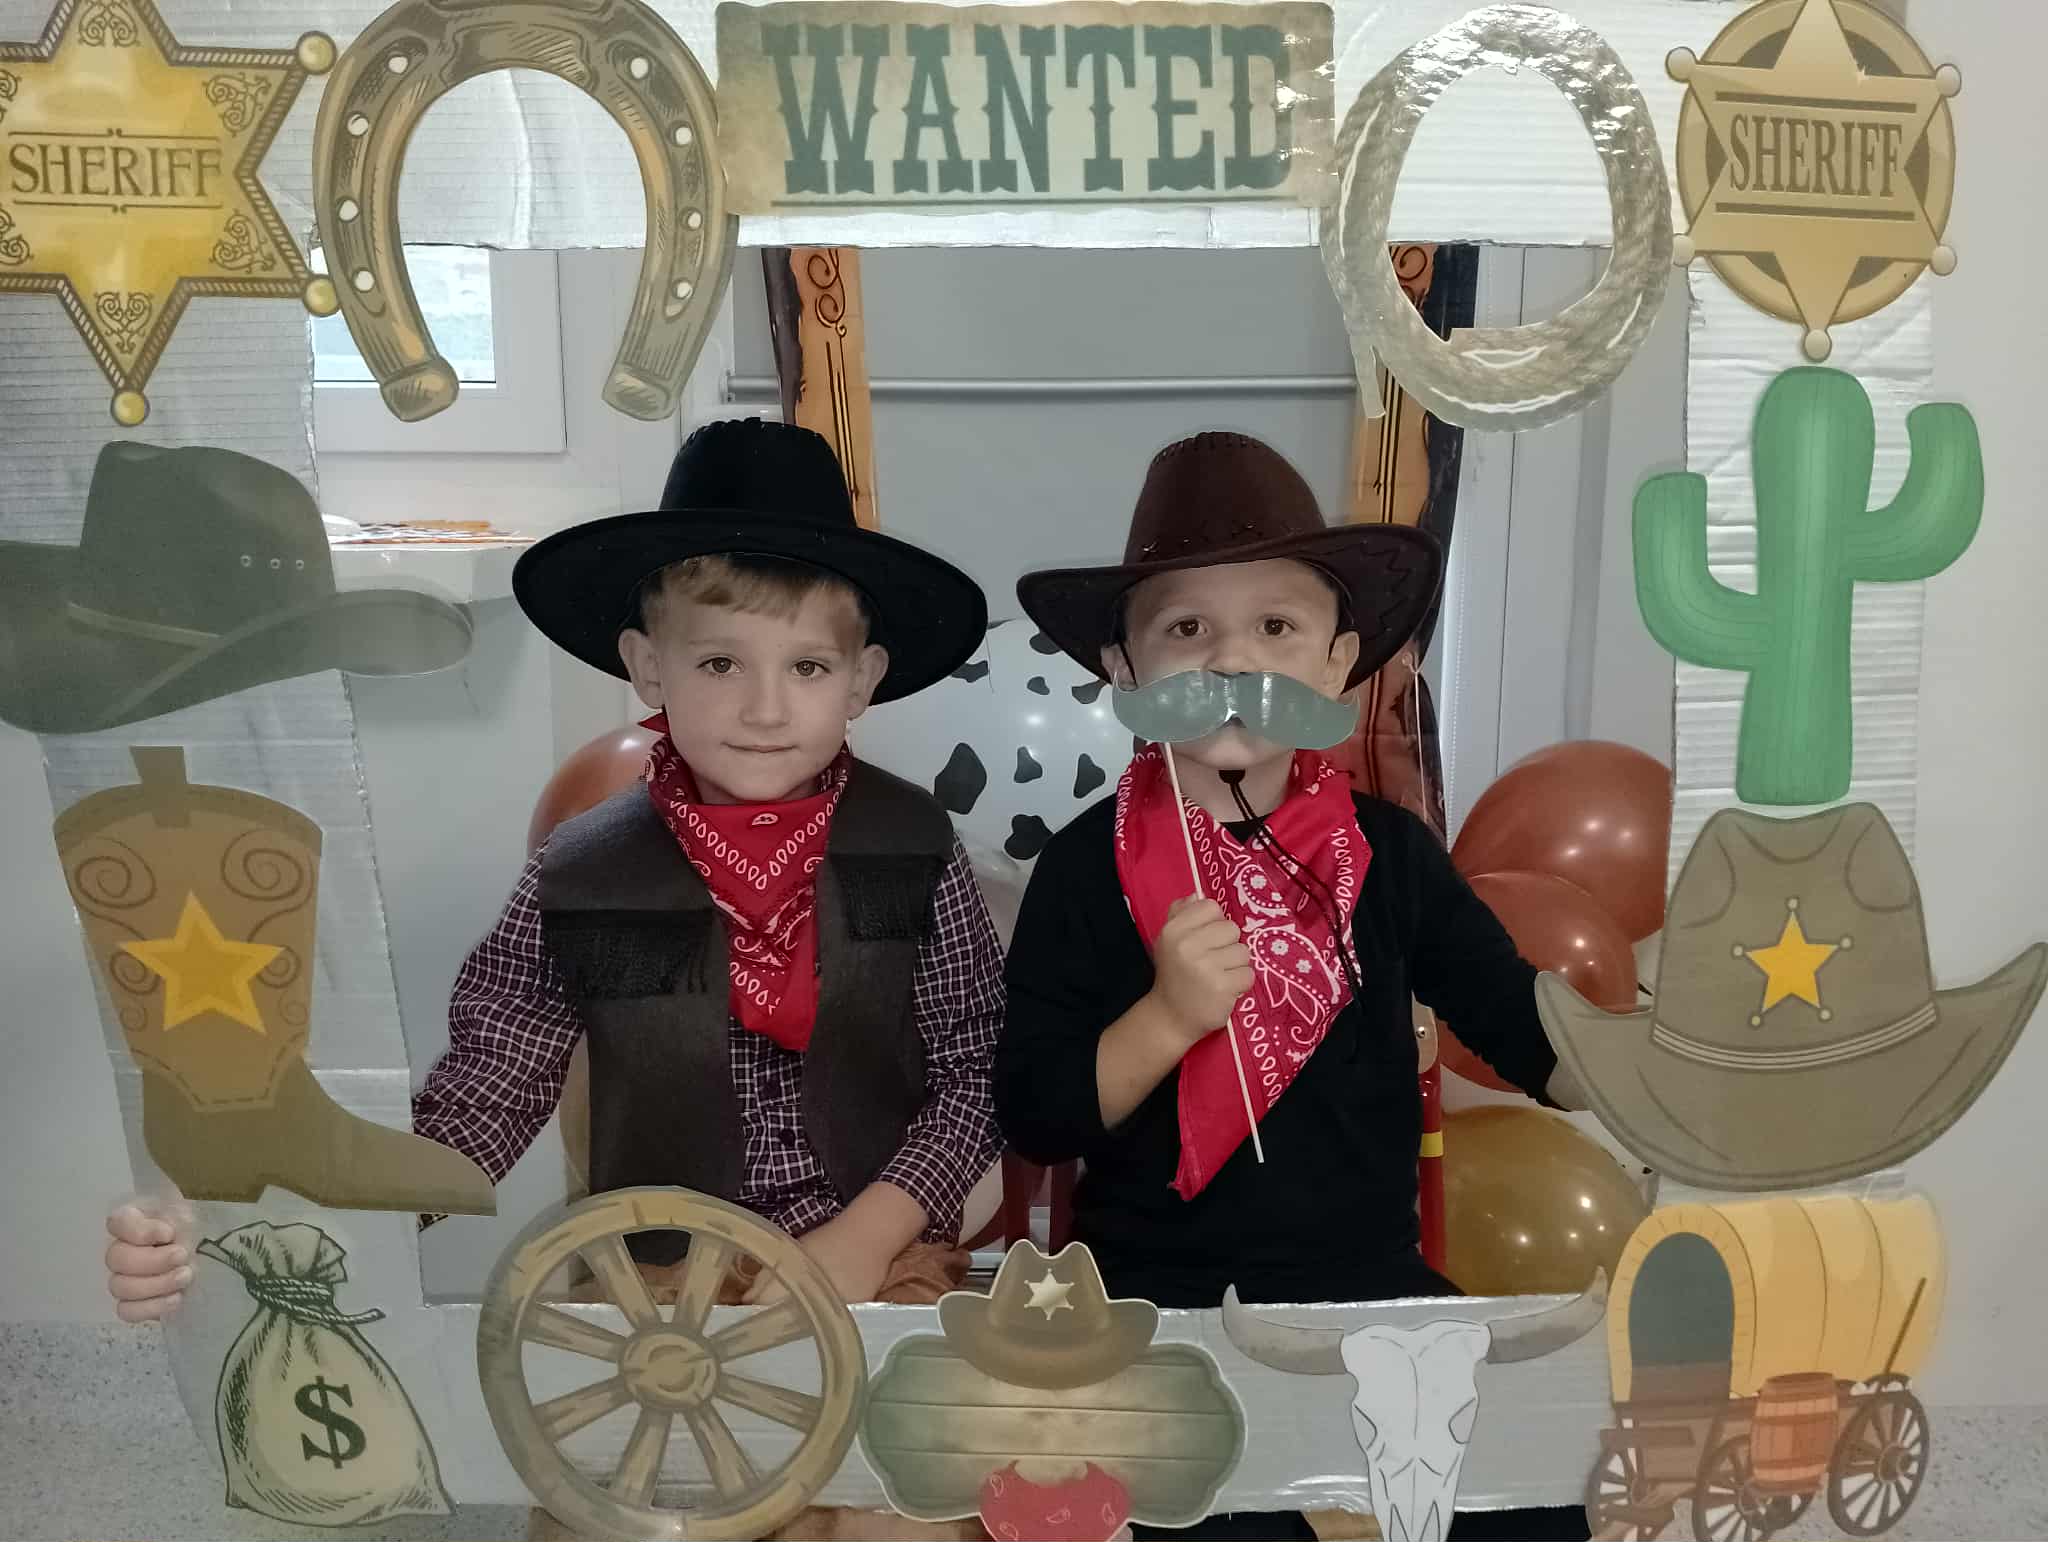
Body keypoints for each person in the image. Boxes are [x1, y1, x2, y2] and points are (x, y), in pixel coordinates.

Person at [107, 418, 1008, 1327]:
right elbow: (486, 1093)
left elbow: (978, 1070)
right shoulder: (583, 873)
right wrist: (248, 1222)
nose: (766, 709)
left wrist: (867, 1235)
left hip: (879, 1248)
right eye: (720, 662)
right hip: (660, 1269)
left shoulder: (914, 848)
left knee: (910, 1400)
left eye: (808, 666)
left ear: (861, 680)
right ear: (648, 667)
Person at [995, 432, 1588, 1542]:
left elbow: (1520, 1027)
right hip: (1154, 1306)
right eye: (1186, 630)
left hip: (1373, 1291)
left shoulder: (1391, 857)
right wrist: (1167, 1017)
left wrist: (1659, 1074)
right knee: (1214, 1520)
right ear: (1125, 671)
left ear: (1335, 662)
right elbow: (1036, 1113)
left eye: (1275, 627)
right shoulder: (1082, 868)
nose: (1233, 662)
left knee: (1535, 1492)